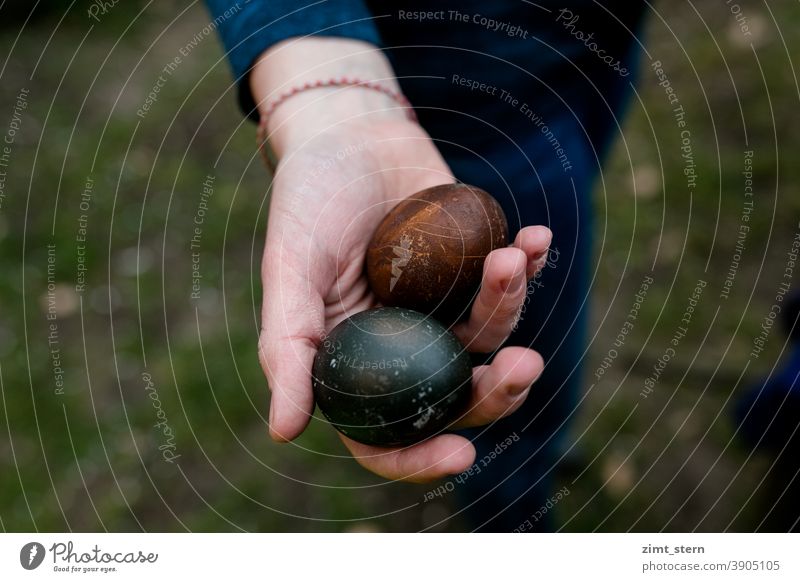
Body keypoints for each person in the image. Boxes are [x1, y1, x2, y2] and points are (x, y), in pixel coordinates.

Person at [204, 0, 647, 531]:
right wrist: (327, 91)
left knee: (534, 341)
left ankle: (541, 446)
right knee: (505, 389)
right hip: (446, 86)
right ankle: (513, 499)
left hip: (591, 43)